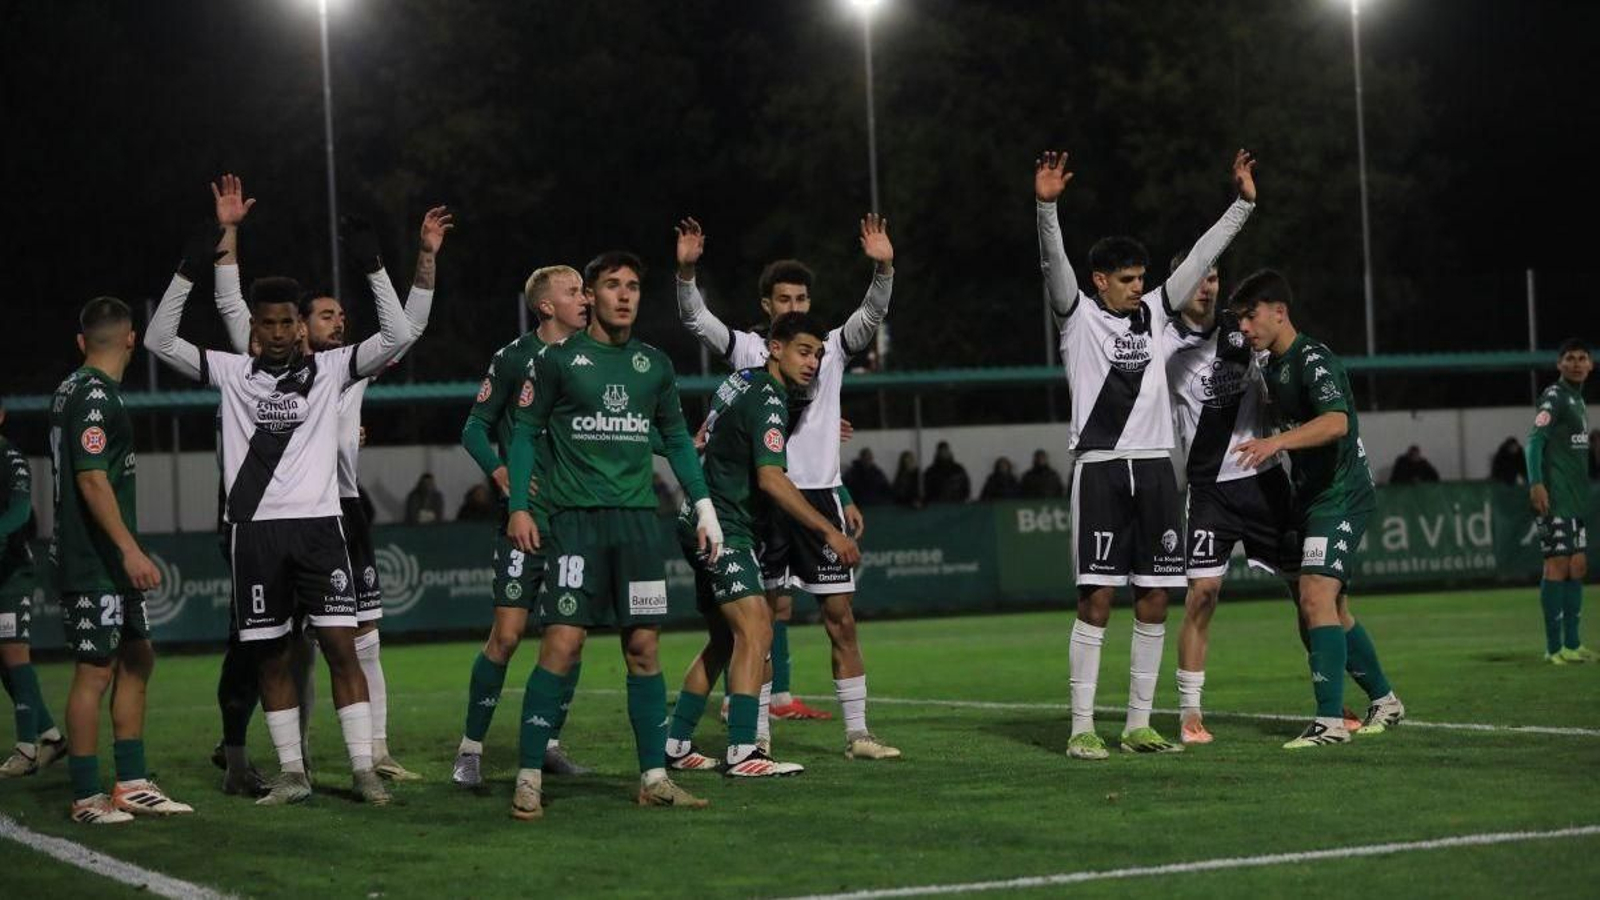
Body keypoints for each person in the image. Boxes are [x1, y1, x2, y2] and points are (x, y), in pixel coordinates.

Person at [146, 197, 421, 805]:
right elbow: (158, 339)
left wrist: (374, 267)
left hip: (323, 528)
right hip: (255, 534)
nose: (274, 334)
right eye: (264, 324)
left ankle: (362, 770)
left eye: (284, 324)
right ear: (255, 329)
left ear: (301, 326)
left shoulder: (331, 370)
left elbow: (401, 334)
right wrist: (188, 268)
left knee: (341, 648)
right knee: (269, 656)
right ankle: (293, 775)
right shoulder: (231, 372)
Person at [210, 175, 444, 786]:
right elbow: (232, 304)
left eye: (341, 316)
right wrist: (228, 233)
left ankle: (375, 751)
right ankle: (261, 753)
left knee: (359, 638)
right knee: (268, 647)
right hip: (264, 514)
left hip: (339, 509)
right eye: (324, 315)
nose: (337, 324)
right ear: (287, 324)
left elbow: (407, 329)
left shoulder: (347, 368)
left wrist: (420, 259)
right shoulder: (260, 357)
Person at [1035, 148, 1255, 758]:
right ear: (1100, 281)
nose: (1140, 289)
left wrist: (1242, 205)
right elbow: (1054, 262)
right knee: (1096, 596)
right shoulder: (1076, 317)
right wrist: (1046, 208)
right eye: (1128, 280)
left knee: (1156, 595)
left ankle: (1137, 723)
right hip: (1102, 469)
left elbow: (1205, 256)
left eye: (1142, 279)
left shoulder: (1156, 313)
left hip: (1158, 467)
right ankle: (1082, 726)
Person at [503, 250, 718, 818]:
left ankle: (653, 778)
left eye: (633, 286)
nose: (624, 295)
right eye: (612, 286)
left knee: (644, 649)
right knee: (563, 644)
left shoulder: (655, 365)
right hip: (576, 524)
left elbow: (675, 440)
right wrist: (521, 506)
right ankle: (528, 776)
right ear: (591, 295)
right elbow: (523, 434)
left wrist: (705, 508)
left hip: (637, 527)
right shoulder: (557, 360)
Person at [675, 215, 899, 755]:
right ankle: (755, 738)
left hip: (816, 493)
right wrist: (685, 275)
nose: (796, 306)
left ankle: (857, 733)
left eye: (802, 297)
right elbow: (697, 321)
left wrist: (884, 268)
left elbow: (871, 314)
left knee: (841, 620)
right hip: (766, 498)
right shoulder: (755, 353)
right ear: (767, 308)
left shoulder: (828, 348)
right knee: (764, 617)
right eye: (785, 299)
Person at [1163, 253, 1368, 745]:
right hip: (1210, 488)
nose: (1206, 288)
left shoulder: (1242, 326)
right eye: (1197, 279)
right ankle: (1190, 712)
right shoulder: (1162, 344)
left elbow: (1286, 350)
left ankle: (1332, 702)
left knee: (1308, 595)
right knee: (1203, 594)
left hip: (1265, 480)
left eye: (1212, 277)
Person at [665, 312, 861, 776]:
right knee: (756, 631)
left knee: (723, 639)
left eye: (817, 354)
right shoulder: (769, 398)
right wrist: (829, 531)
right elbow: (772, 480)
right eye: (803, 351)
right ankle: (743, 751)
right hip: (722, 525)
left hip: (696, 516)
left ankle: (676, 742)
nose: (813, 362)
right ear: (775, 348)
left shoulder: (740, 382)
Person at [1231, 269, 1406, 748]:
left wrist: (1277, 443)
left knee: (1314, 598)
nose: (1244, 327)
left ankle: (1329, 722)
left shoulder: (1313, 358)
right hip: (1310, 497)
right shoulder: (1272, 367)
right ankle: (1386, 701)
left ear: (1279, 311)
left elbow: (1335, 422)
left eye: (1251, 316)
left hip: (1342, 494)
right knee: (1327, 610)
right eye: (1240, 319)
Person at [51, 297, 191, 823]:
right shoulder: (93, 396)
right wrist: (130, 549)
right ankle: (87, 797)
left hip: (108, 557)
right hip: (95, 559)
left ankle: (131, 783)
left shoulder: (75, 389)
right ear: (132, 339)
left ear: (82, 339)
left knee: (138, 656)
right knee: (94, 671)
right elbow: (91, 478)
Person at [452, 264, 592, 788]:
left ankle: (549, 743)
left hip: (576, 519)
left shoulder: (593, 359)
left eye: (584, 289)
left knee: (569, 640)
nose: (586, 298)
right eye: (573, 291)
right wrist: (503, 475)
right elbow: (473, 428)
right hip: (525, 519)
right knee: (507, 636)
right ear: (546, 306)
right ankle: (470, 750)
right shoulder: (513, 359)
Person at [0, 400, 66, 779]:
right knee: (4, 662)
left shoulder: (9, 459)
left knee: (13, 653)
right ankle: (52, 737)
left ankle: (26, 749)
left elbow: (21, 511)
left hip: (12, 571)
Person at [1525, 339, 1593, 663]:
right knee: (1556, 566)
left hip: (1576, 499)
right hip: (1556, 496)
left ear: (1591, 366)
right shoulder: (1554, 396)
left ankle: (1573, 643)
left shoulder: (1578, 401)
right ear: (1559, 365)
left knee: (1577, 566)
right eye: (1570, 358)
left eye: (1583, 358)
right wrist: (1537, 483)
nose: (1577, 363)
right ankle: (1553, 649)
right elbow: (1535, 441)